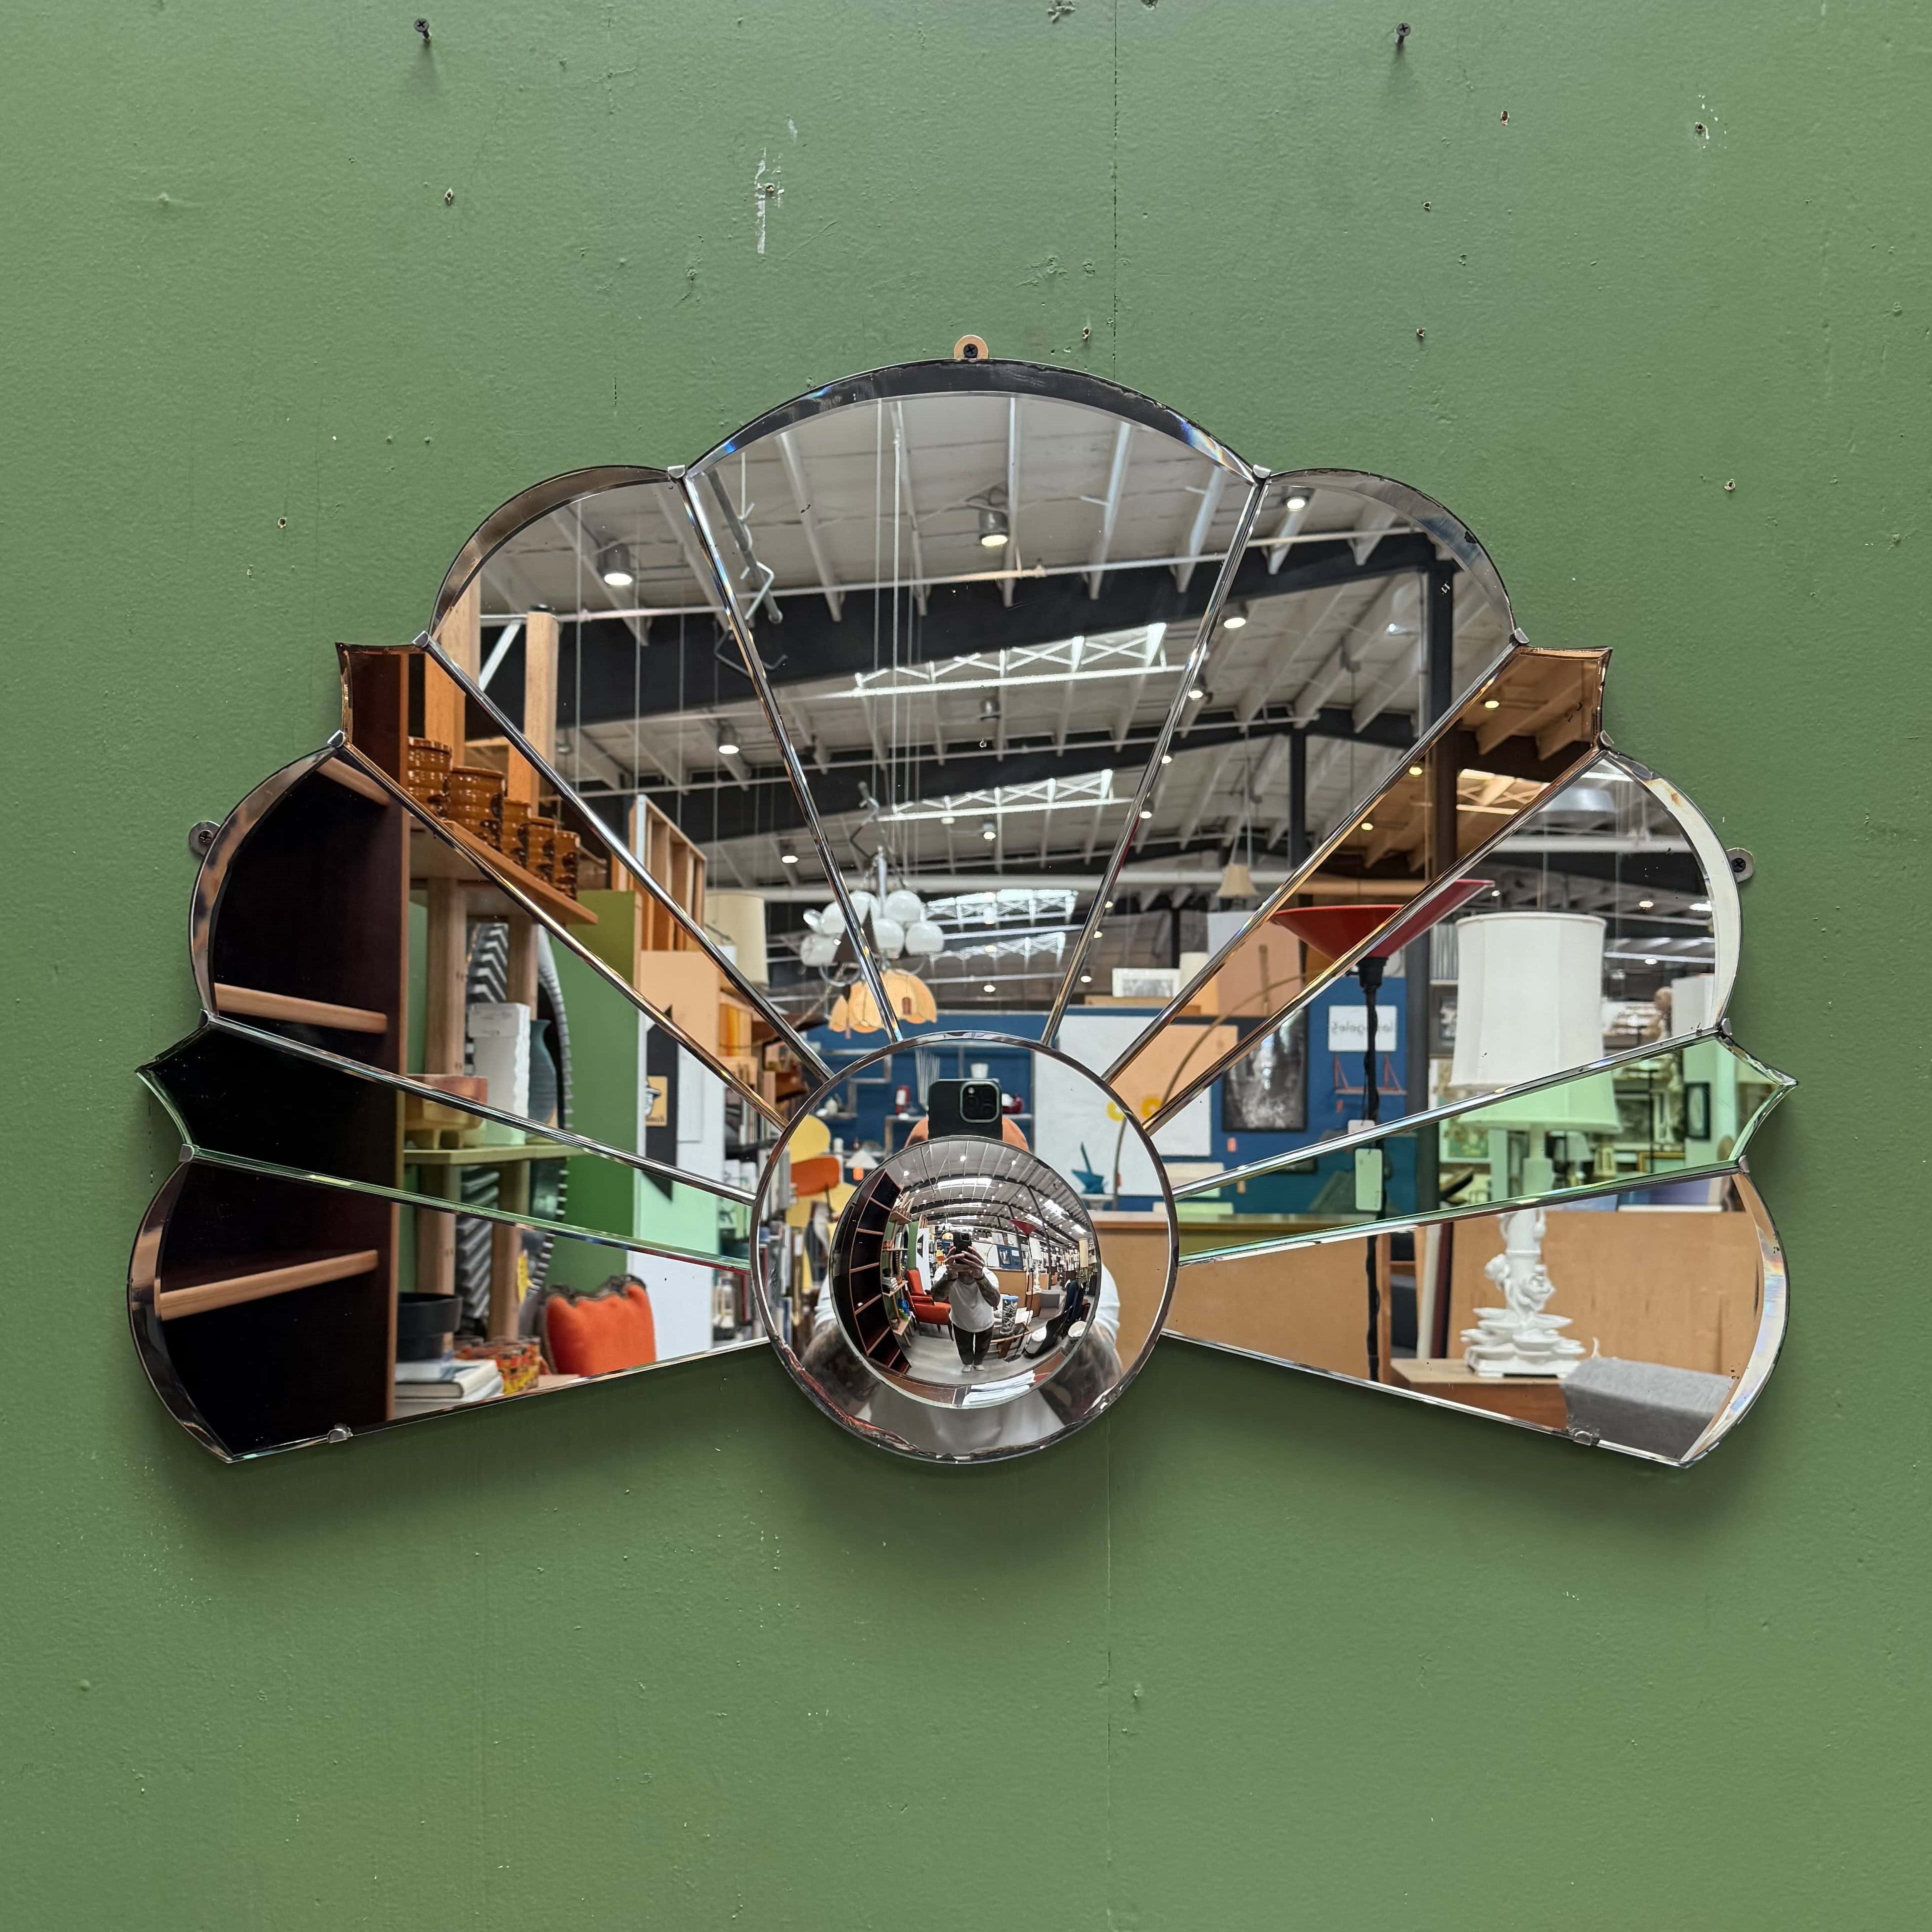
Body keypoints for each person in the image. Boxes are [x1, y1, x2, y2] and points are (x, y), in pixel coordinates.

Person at [935, 1235, 998, 1370]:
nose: (964, 1264)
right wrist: (950, 1277)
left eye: (968, 1258)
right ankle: (968, 1363)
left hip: (985, 1322)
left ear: (975, 1258)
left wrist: (980, 1277)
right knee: (964, 1346)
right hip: (960, 1321)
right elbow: (937, 1298)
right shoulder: (945, 1272)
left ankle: (978, 1363)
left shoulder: (987, 1274)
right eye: (960, 1258)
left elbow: (995, 1302)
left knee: (983, 1347)